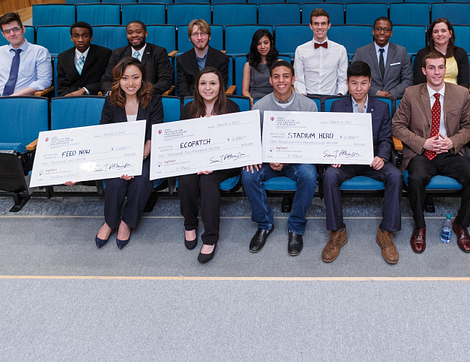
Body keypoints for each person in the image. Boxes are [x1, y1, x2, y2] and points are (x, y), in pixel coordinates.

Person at [392, 50, 470, 254]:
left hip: (451, 152)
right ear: (424, 70)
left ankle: (461, 223)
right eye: (431, 68)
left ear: (446, 69)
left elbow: (469, 126)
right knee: (415, 178)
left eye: (441, 67)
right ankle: (419, 226)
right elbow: (397, 126)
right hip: (422, 153)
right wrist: (424, 143)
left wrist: (452, 141)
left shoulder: (461, 93)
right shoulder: (411, 93)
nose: (437, 72)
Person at [321, 61, 402, 265]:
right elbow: (330, 136)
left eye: (363, 83)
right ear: (347, 84)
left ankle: (386, 232)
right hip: (346, 161)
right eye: (354, 83)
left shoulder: (381, 107)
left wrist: (382, 157)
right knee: (329, 175)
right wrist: (334, 155)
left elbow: (385, 138)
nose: (358, 88)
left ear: (370, 83)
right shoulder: (337, 106)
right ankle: (337, 231)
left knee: (395, 175)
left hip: (372, 160)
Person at [241, 60, 318, 256]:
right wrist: (267, 157)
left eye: (286, 76)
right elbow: (254, 139)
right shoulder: (259, 106)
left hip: (296, 161)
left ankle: (296, 226)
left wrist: (288, 159)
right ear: (270, 80)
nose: (281, 80)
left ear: (293, 79)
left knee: (309, 174)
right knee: (248, 175)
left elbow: (312, 142)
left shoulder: (308, 106)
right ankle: (265, 223)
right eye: (276, 76)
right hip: (268, 160)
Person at [94, 57, 163, 249]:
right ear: (118, 80)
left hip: (146, 154)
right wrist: (123, 162)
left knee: (141, 182)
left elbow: (154, 136)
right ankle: (109, 221)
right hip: (117, 155)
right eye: (125, 78)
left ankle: (126, 222)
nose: (130, 83)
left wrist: (136, 160)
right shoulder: (110, 101)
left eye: (135, 77)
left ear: (143, 79)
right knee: (116, 182)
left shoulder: (154, 99)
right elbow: (104, 133)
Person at [178, 67, 241, 263]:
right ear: (197, 86)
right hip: (196, 161)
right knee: (187, 178)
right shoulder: (188, 109)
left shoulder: (232, 108)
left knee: (207, 181)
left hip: (225, 162)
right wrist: (196, 162)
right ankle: (190, 225)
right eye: (203, 83)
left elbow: (236, 145)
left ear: (220, 86)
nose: (208, 88)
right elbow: (183, 143)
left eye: (213, 83)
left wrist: (214, 162)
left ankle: (211, 237)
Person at [0, 12, 52, 97]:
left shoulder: (39, 52)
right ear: (3, 34)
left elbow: (44, 81)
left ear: (23, 29)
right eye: (7, 31)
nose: (12, 34)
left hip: (23, 100)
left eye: (15, 29)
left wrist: (16, 95)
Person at [101, 21, 173, 96]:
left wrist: (147, 92)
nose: (134, 35)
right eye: (130, 33)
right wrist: (110, 92)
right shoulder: (117, 53)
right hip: (122, 98)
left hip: (148, 97)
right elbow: (107, 79)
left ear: (146, 34)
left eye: (138, 32)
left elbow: (165, 80)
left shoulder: (158, 52)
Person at [352, 17, 413, 100]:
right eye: (379, 29)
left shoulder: (401, 51)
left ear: (391, 33)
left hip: (394, 101)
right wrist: (376, 93)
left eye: (386, 29)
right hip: (368, 100)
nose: (382, 32)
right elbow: (354, 78)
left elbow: (408, 80)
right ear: (373, 31)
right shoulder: (361, 52)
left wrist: (392, 94)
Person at [293, 8, 348, 96]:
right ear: (310, 26)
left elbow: (342, 80)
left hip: (332, 98)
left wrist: (339, 96)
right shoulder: (300, 50)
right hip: (308, 97)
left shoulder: (340, 50)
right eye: (316, 24)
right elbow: (299, 80)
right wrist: (304, 97)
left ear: (329, 25)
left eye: (323, 23)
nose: (319, 27)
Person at [56, 22, 112, 96]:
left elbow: (106, 80)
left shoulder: (104, 54)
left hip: (95, 97)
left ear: (91, 38)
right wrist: (69, 96)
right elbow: (61, 84)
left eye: (85, 36)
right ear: (71, 38)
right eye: (76, 36)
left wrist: (85, 90)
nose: (80, 40)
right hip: (69, 99)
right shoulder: (63, 57)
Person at [176, 19, 230, 97]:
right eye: (195, 34)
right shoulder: (182, 60)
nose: (199, 38)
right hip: (191, 102)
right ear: (190, 38)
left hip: (214, 102)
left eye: (203, 33)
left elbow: (221, 86)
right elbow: (182, 87)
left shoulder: (221, 58)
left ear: (209, 36)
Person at [412, 18, 470, 89]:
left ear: (450, 33)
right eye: (435, 31)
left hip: (455, 95)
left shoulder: (460, 53)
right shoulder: (422, 54)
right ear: (432, 35)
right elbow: (419, 83)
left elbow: (464, 83)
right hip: (429, 95)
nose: (439, 34)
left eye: (443, 31)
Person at [242, 28, 280, 104]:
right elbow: (245, 90)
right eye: (259, 44)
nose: (263, 47)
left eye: (266, 43)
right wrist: (250, 99)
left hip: (274, 100)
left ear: (271, 43)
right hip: (255, 100)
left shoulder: (279, 64)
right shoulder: (248, 65)